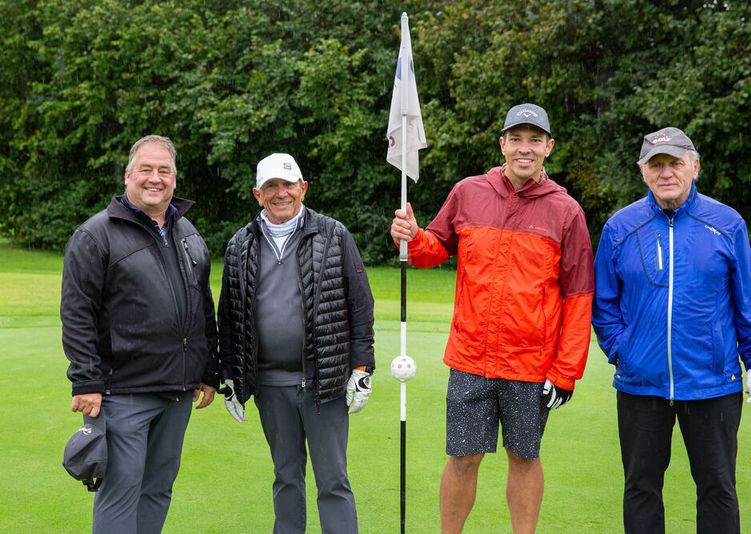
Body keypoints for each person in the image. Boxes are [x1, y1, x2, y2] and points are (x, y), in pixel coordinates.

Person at [390, 103, 595, 533]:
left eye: (535, 140)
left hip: (531, 364)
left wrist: (566, 370)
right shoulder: (468, 192)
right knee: (463, 458)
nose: (525, 148)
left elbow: (579, 296)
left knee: (524, 457)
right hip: (470, 358)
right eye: (516, 139)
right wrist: (413, 236)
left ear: (549, 147)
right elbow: (434, 248)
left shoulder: (566, 211)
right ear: (502, 144)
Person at [592, 127, 751, 534]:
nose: (666, 173)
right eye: (656, 165)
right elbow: (604, 305)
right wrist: (625, 352)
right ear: (643, 171)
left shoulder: (726, 223)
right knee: (641, 488)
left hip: (713, 383)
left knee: (718, 488)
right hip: (642, 385)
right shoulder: (620, 227)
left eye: (675, 163)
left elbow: (748, 299)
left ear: (694, 167)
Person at [61, 135, 219, 533]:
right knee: (120, 491)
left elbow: (203, 307)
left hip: (178, 390)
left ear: (174, 180)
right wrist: (86, 380)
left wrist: (209, 370)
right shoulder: (96, 234)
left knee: (158, 489)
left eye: (164, 171)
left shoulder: (187, 233)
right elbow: (77, 312)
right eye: (145, 169)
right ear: (128, 176)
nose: (155, 178)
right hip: (122, 391)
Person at [217, 153, 375, 534]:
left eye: (288, 185)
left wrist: (362, 366)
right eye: (271, 186)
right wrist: (230, 375)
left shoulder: (334, 234)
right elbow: (230, 316)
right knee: (286, 477)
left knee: (333, 479)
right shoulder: (239, 245)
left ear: (303, 188)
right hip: (271, 385)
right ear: (257, 194)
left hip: (324, 382)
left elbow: (360, 303)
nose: (280, 193)